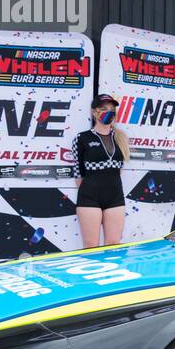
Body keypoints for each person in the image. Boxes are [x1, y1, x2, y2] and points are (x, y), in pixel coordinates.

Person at [72, 94, 130, 248]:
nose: (109, 112)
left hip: (115, 197)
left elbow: (119, 169)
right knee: (91, 246)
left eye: (112, 109)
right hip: (89, 197)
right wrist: (90, 190)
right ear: (94, 112)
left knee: (113, 244)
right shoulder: (81, 138)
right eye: (103, 109)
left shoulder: (121, 138)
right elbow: (78, 172)